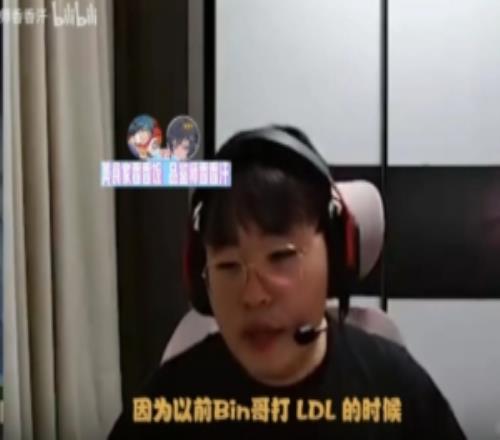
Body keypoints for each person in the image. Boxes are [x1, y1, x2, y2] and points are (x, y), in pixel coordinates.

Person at [109, 126, 467, 439]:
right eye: (229, 266)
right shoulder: (166, 405)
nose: (253, 296)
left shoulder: (396, 389)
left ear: (335, 256)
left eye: (281, 257)